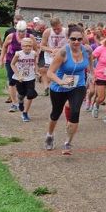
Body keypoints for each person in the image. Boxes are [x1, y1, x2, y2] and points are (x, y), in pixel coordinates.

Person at [45, 25, 90, 155]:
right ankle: (50, 135)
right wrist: (60, 81)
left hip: (78, 86)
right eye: (73, 39)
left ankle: (68, 142)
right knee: (56, 113)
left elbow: (90, 62)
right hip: (59, 87)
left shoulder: (87, 50)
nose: (76, 42)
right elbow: (50, 73)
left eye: (79, 39)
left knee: (75, 112)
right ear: (67, 38)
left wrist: (92, 73)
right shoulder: (63, 52)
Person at [1, 21, 31, 109]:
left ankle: (20, 98)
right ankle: (14, 103)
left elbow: (36, 49)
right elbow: (4, 46)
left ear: (26, 30)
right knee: (12, 81)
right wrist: (2, 57)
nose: (21, 33)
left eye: (23, 31)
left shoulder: (30, 37)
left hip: (24, 64)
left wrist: (34, 60)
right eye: (19, 31)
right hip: (11, 62)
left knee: (23, 82)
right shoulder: (11, 36)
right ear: (16, 30)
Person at [10, 37, 39, 122]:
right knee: (21, 93)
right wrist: (18, 75)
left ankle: (25, 113)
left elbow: (35, 63)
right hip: (20, 77)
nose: (28, 48)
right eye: (25, 46)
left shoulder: (34, 53)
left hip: (30, 77)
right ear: (22, 46)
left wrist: (36, 71)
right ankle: (20, 101)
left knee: (30, 94)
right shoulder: (18, 54)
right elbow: (12, 64)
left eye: (29, 46)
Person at [40, 18, 67, 96]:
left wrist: (59, 50)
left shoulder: (66, 31)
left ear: (61, 24)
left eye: (58, 29)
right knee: (46, 72)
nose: (57, 31)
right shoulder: (47, 32)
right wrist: (51, 50)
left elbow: (70, 45)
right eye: (54, 29)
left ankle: (59, 89)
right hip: (50, 55)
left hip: (62, 55)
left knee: (59, 72)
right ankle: (46, 88)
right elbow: (42, 46)